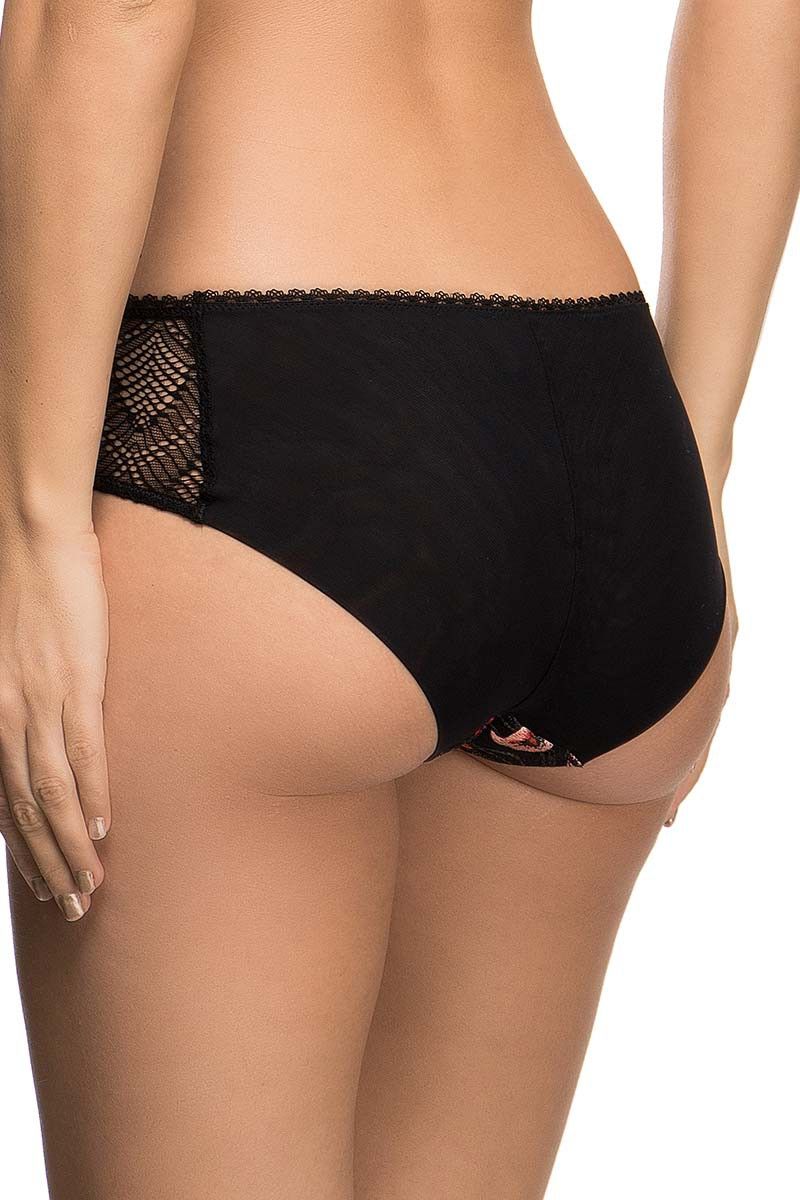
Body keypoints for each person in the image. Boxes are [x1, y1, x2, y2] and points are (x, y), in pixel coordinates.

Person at [0, 2, 797, 1197]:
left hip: (257, 418)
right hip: (607, 421)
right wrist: (700, 461)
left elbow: (107, 12)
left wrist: (34, 525)